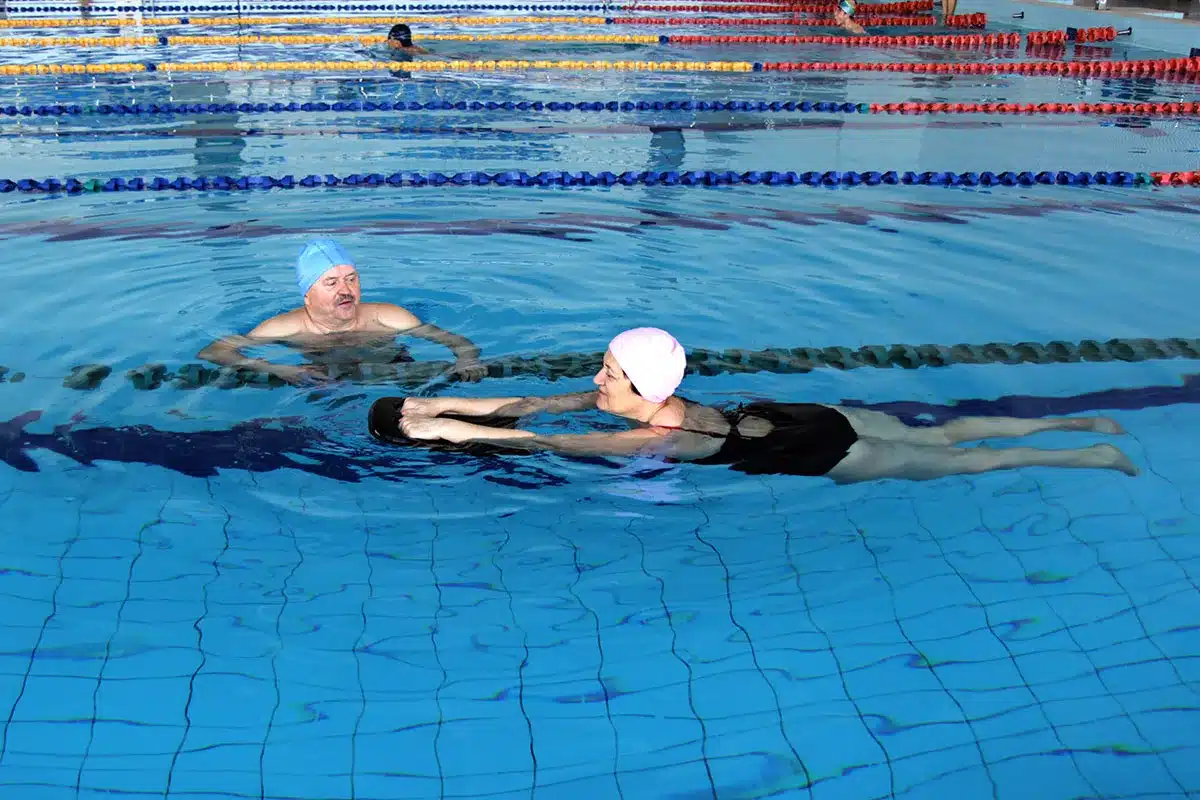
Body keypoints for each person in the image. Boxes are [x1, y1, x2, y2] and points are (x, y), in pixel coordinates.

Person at [382, 327, 1139, 483]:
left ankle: (1085, 451)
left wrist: (443, 432)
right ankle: (1070, 417)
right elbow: (532, 405)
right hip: (798, 413)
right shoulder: (638, 398)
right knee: (948, 429)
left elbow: (548, 442)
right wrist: (432, 402)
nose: (595, 378)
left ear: (643, 388)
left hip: (812, 446)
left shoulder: (655, 437)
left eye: (608, 371)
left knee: (960, 460)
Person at [198, 239, 486, 386]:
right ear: (308, 295)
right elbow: (214, 352)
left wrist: (467, 360)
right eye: (331, 283)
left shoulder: (388, 317)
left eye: (351, 279)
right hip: (323, 381)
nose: (345, 290)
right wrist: (276, 369)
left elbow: (455, 341)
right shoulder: (284, 327)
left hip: (393, 375)